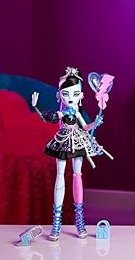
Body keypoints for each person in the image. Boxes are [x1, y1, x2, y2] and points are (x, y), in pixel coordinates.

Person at [32, 67, 105, 241]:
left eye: (75, 94)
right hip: (63, 142)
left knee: (77, 175)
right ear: (59, 95)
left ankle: (79, 220)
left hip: (78, 141)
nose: (71, 98)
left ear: (81, 95)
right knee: (60, 175)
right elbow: (46, 118)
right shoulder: (62, 112)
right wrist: (35, 106)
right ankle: (56, 221)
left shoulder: (76, 112)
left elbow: (85, 127)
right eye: (66, 94)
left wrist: (95, 123)